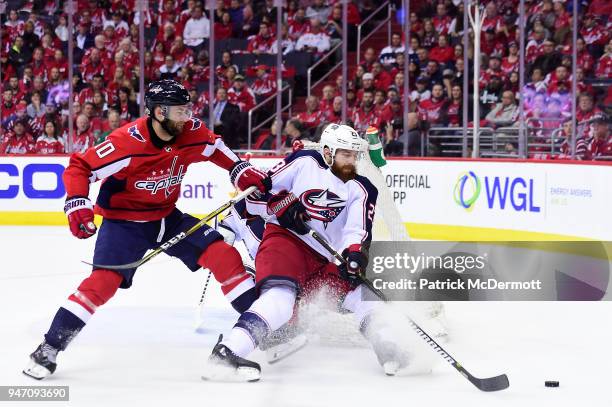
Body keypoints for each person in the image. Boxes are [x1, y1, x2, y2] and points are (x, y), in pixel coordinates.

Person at [23, 80, 271, 380]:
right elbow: (80, 166)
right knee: (101, 284)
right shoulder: (127, 142)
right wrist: (77, 202)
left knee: (224, 256)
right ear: (159, 111)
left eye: (187, 109)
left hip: (167, 217)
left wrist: (239, 170)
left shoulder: (190, 131)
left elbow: (215, 147)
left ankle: (265, 331)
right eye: (180, 111)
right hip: (124, 225)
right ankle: (48, 348)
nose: (187, 116)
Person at [202, 124, 409, 381]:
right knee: (280, 300)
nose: (352, 160)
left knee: (362, 294)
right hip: (284, 243)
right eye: (345, 154)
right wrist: (281, 206)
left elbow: (357, 231)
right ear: (327, 152)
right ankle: (227, 352)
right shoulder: (304, 162)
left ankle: (386, 345)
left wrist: (354, 255)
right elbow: (259, 192)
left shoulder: (363, 188)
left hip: (320, 260)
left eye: (354, 155)